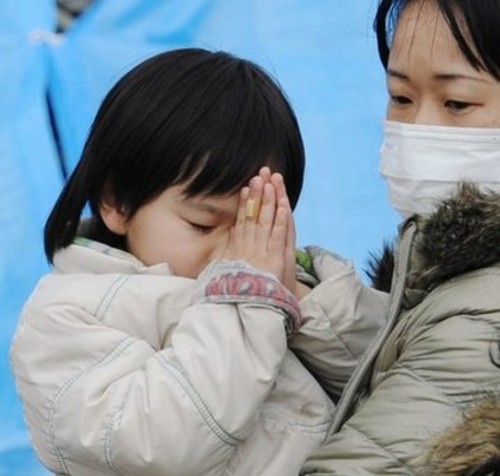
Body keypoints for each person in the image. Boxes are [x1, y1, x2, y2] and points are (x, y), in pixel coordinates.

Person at [10, 47, 388, 476]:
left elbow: (393, 381)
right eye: (203, 225)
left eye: (255, 223)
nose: (233, 252)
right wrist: (246, 297)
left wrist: (305, 300)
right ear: (116, 201)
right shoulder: (64, 318)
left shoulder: (272, 297)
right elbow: (158, 443)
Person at [301, 0, 500, 474]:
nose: (417, 129)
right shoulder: (435, 280)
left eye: (457, 103)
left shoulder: (484, 314)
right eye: (401, 98)